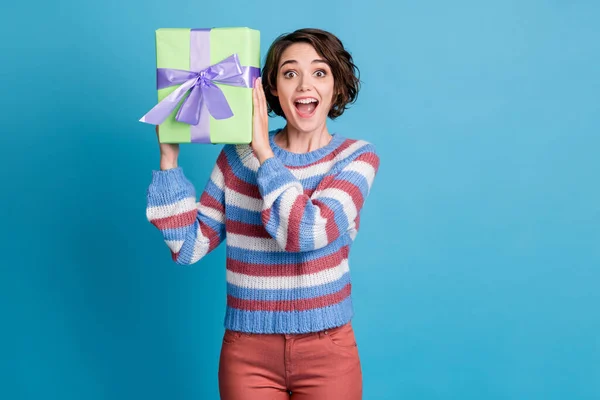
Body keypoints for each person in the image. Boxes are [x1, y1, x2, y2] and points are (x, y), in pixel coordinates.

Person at [146, 28, 380, 400]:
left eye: (320, 72)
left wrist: (264, 154)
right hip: (248, 354)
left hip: (328, 352)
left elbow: (304, 233)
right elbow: (187, 248)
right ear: (270, 88)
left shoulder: (355, 158)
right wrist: (169, 160)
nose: (305, 85)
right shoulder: (237, 158)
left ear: (336, 87)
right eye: (290, 73)